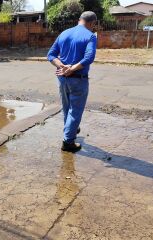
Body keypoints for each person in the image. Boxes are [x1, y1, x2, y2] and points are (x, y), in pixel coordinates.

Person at [47, 11, 98, 153]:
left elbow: (50, 55)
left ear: (79, 20)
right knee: (75, 111)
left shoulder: (64, 33)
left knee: (66, 107)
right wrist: (72, 68)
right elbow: (89, 58)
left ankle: (71, 131)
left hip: (62, 78)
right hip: (78, 79)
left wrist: (61, 66)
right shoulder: (90, 36)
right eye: (94, 25)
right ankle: (68, 142)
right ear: (92, 23)